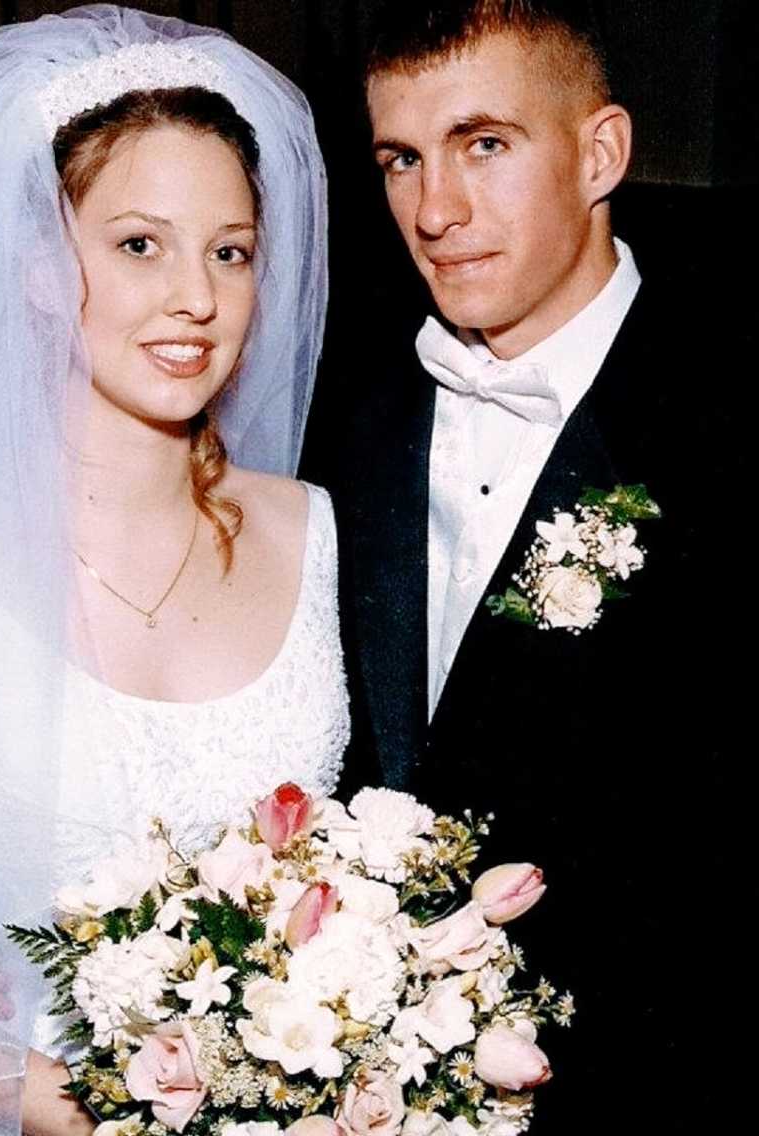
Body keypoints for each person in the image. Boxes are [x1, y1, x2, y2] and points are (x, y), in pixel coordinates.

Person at [0, 6, 347, 1134]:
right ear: (40, 268)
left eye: (230, 250)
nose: (197, 296)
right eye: (140, 244)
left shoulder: (319, 535)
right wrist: (67, 1102)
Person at [305, 2, 742, 1132]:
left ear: (601, 152)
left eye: (484, 144)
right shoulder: (341, 416)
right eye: (401, 159)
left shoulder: (723, 414)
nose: (435, 211)